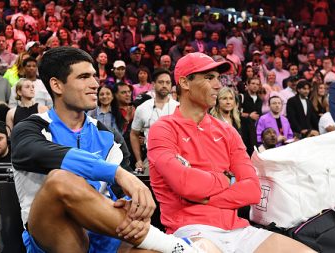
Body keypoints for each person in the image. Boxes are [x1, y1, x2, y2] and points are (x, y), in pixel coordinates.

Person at [11, 47, 200, 253]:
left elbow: (123, 196)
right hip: (55, 239)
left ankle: (173, 248)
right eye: (83, 77)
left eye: (94, 76)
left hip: (103, 239)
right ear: (57, 85)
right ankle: (174, 245)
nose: (94, 84)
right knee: (61, 179)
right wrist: (116, 173)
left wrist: (132, 210)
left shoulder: (108, 136)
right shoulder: (30, 128)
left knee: (166, 250)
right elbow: (30, 153)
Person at [147, 52, 316, 252]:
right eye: (209, 78)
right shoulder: (163, 129)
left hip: (239, 230)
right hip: (192, 230)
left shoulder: (227, 131)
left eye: (218, 78)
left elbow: (253, 190)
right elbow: (185, 183)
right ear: (184, 83)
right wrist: (226, 180)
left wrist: (204, 196)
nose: (218, 85)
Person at [130, 68, 179, 173]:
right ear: (153, 84)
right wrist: (138, 160)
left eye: (168, 82)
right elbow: (134, 134)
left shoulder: (179, 107)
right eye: (161, 82)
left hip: (177, 159)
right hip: (152, 159)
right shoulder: (142, 108)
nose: (165, 85)